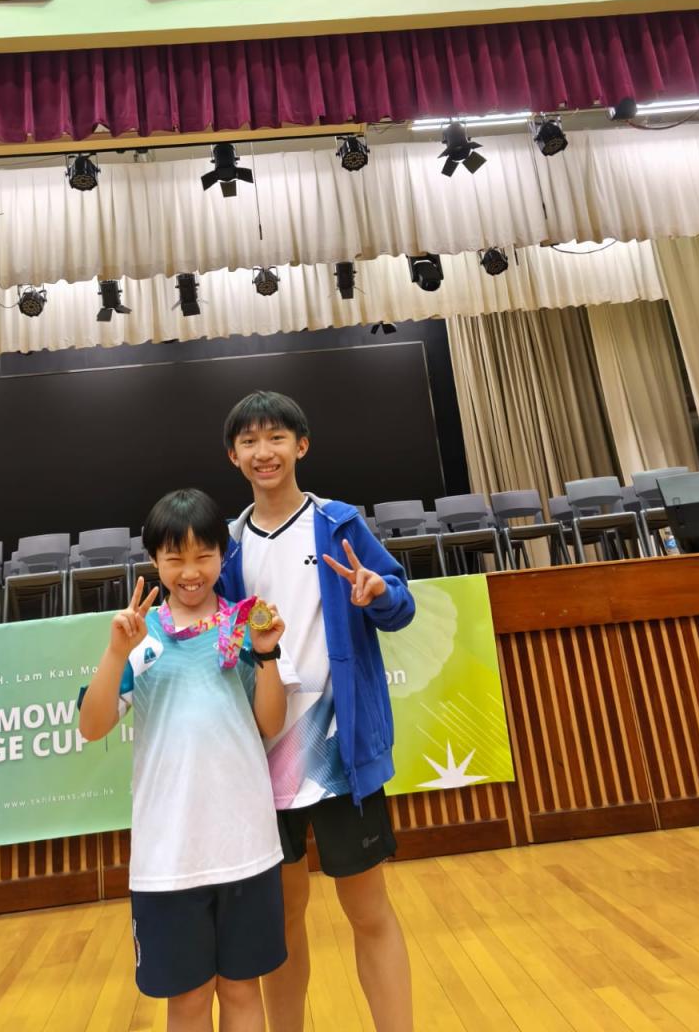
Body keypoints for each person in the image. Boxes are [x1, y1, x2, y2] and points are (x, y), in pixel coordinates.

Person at [218, 391, 416, 1032]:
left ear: (300, 446)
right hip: (261, 760)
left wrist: (378, 592)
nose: (264, 451)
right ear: (233, 456)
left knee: (368, 911)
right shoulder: (226, 547)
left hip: (340, 755)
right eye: (249, 441)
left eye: (276, 437)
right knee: (281, 919)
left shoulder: (339, 522)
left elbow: (400, 605)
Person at [79, 488, 295, 1032]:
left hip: (246, 847)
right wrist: (115, 653)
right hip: (168, 856)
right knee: (189, 1001)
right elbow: (92, 726)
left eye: (204, 555)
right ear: (155, 560)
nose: (191, 571)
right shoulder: (139, 636)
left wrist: (266, 653)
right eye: (175, 558)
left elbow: (271, 723)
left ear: (223, 555)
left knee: (243, 992)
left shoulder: (245, 624)